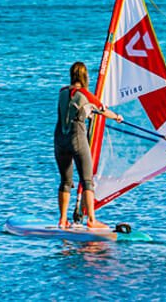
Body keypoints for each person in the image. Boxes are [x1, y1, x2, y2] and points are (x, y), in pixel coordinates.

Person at [54, 62, 123, 229]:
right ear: (85, 77)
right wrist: (116, 117)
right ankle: (92, 220)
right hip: (76, 139)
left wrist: (87, 112)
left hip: (59, 140)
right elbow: (102, 109)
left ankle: (63, 220)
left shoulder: (62, 92)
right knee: (87, 180)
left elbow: (72, 108)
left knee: (65, 180)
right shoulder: (86, 94)